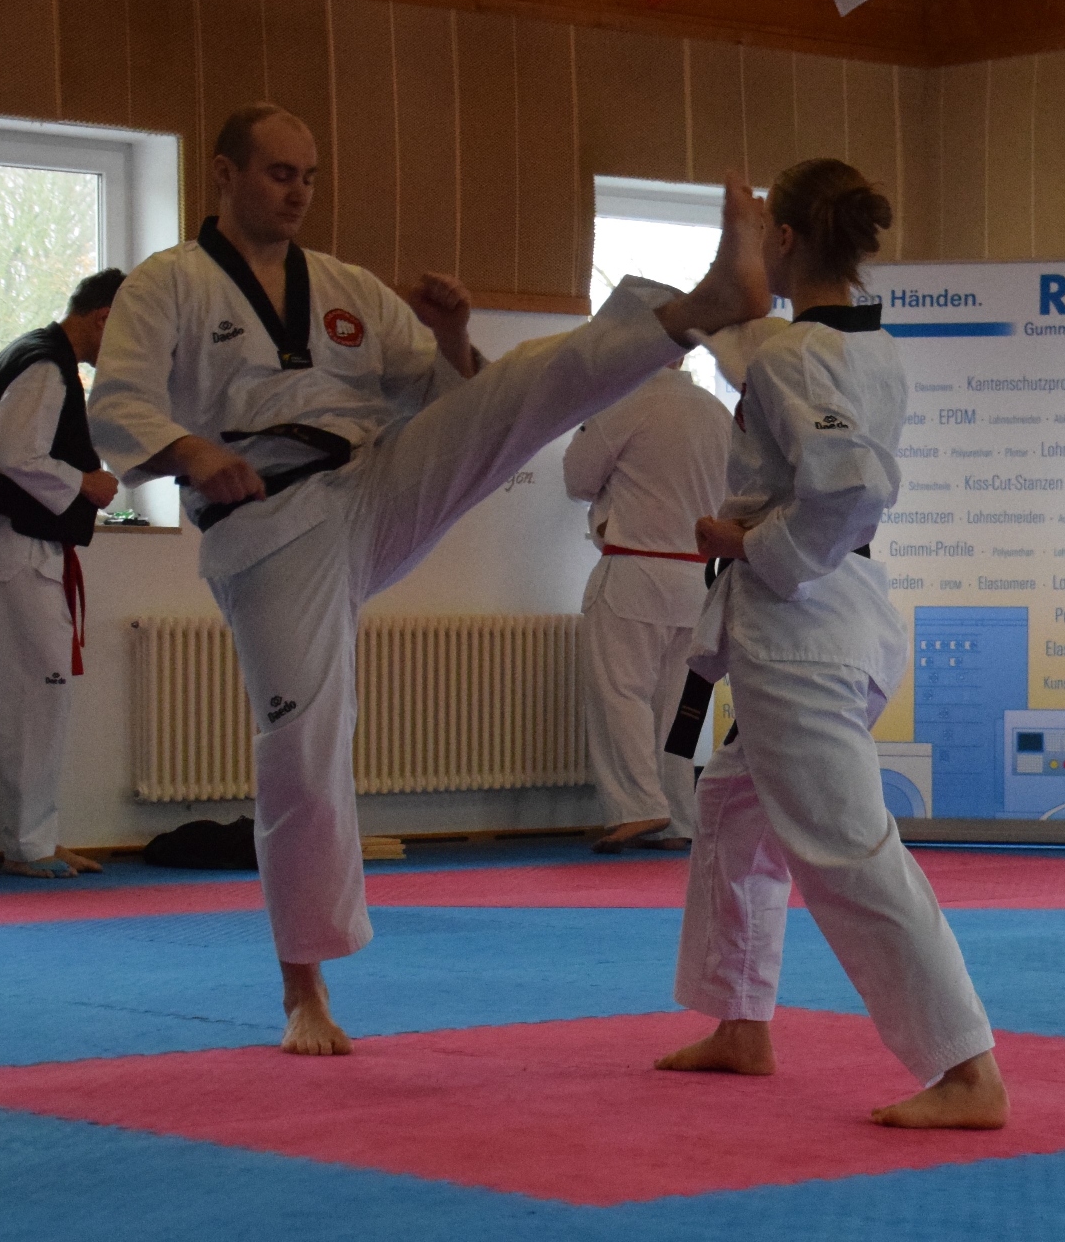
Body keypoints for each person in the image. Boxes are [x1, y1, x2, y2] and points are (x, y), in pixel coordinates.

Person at [88, 102, 770, 1056]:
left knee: (519, 383)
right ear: (224, 173)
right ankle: (304, 989)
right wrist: (196, 452)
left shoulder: (344, 286)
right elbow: (119, 405)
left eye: (309, 176)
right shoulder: (168, 285)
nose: (297, 192)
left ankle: (698, 307)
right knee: (305, 742)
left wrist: (452, 337)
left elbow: (451, 397)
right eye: (279, 172)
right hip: (268, 524)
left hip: (373, 482)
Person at [655, 159, 1009, 1130]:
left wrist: (745, 542)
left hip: (799, 625)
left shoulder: (795, 356)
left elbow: (850, 486)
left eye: (763, 233)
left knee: (846, 847)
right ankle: (741, 1020)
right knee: (732, 810)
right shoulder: (862, 344)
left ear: (786, 238)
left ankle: (966, 1067)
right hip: (831, 615)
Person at [0, 269, 124, 879]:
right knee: (34, 695)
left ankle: (36, 836)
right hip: (17, 550)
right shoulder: (44, 365)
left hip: (22, 550)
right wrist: (87, 483)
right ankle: (29, 844)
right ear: (103, 318)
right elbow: (16, 454)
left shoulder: (40, 358)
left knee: (40, 696)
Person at [563, 363, 730, 854]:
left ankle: (638, 807)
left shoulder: (625, 403)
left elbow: (577, 478)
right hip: (698, 578)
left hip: (634, 569)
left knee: (620, 692)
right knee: (679, 707)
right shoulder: (718, 413)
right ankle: (678, 818)